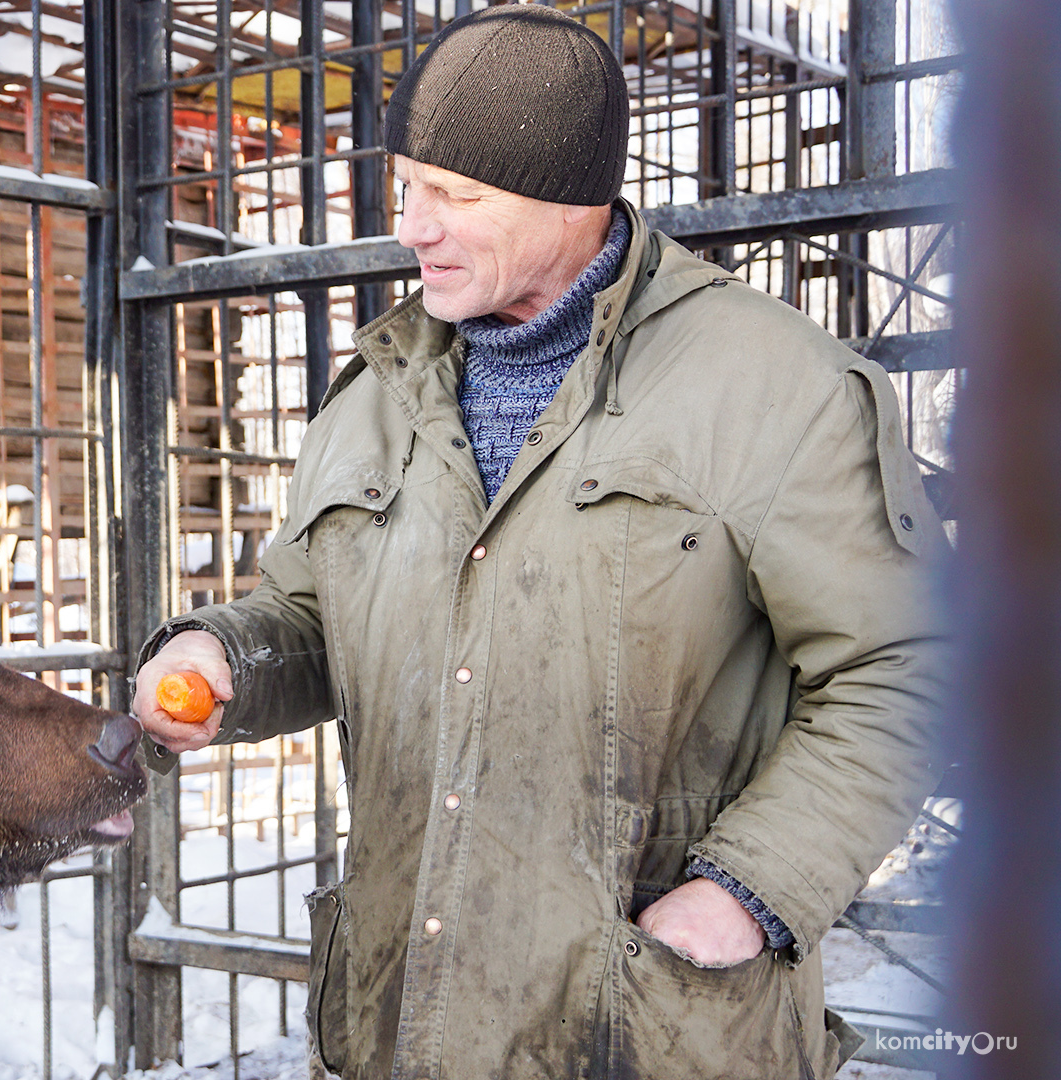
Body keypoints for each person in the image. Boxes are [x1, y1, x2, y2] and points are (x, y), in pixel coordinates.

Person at [130, 7, 948, 1079]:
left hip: (645, 1032)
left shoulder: (777, 391)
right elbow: (315, 616)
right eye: (408, 182)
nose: (414, 225)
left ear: (575, 200)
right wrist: (226, 654)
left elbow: (908, 668)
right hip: (404, 1029)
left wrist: (752, 887)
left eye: (458, 195)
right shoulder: (377, 391)